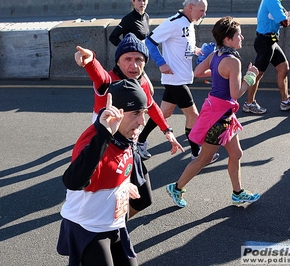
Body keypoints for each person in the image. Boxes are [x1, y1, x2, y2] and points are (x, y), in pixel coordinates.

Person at [74, 33, 184, 218]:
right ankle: (105, 229)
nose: (133, 65)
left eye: (138, 59)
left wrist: (167, 131)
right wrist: (91, 59)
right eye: (127, 59)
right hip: (105, 149)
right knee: (102, 199)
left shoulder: (141, 83)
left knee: (144, 199)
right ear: (118, 62)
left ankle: (116, 227)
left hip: (129, 146)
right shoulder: (108, 81)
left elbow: (151, 106)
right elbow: (98, 75)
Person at [166, 16, 261, 208]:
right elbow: (236, 93)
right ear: (227, 39)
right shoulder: (233, 61)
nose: (242, 37)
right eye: (238, 35)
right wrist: (250, 77)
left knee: (236, 153)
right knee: (204, 158)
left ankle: (238, 192)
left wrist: (220, 74)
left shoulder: (216, 54)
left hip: (220, 113)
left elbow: (198, 72)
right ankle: (176, 188)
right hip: (219, 118)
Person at [57, 79, 148, 266]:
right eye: (136, 113)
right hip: (87, 227)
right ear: (116, 114)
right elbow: (73, 181)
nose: (142, 121)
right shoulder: (92, 141)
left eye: (144, 113)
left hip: (114, 224)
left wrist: (123, 186)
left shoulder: (126, 136)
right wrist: (104, 136)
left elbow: (116, 168)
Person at [139, 0, 219, 163]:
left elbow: (183, 45)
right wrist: (161, 63)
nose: (204, 14)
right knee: (193, 115)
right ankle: (197, 153)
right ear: (190, 7)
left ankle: (139, 141)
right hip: (175, 79)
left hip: (181, 77)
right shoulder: (173, 22)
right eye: (202, 10)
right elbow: (149, 42)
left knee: (164, 113)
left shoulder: (189, 23)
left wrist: (197, 51)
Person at [243, 0, 290, 114]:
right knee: (256, 73)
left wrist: (288, 15)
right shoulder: (272, 0)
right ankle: (249, 104)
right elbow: (285, 22)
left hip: (271, 41)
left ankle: (285, 101)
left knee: (284, 68)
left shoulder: (275, 2)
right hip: (265, 42)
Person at [108, 0, 154, 96]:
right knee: (148, 91)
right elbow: (113, 37)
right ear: (133, 2)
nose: (142, 3)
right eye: (139, 0)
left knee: (148, 91)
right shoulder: (128, 19)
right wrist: (126, 49)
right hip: (130, 61)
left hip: (140, 59)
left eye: (144, 0)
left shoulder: (146, 17)